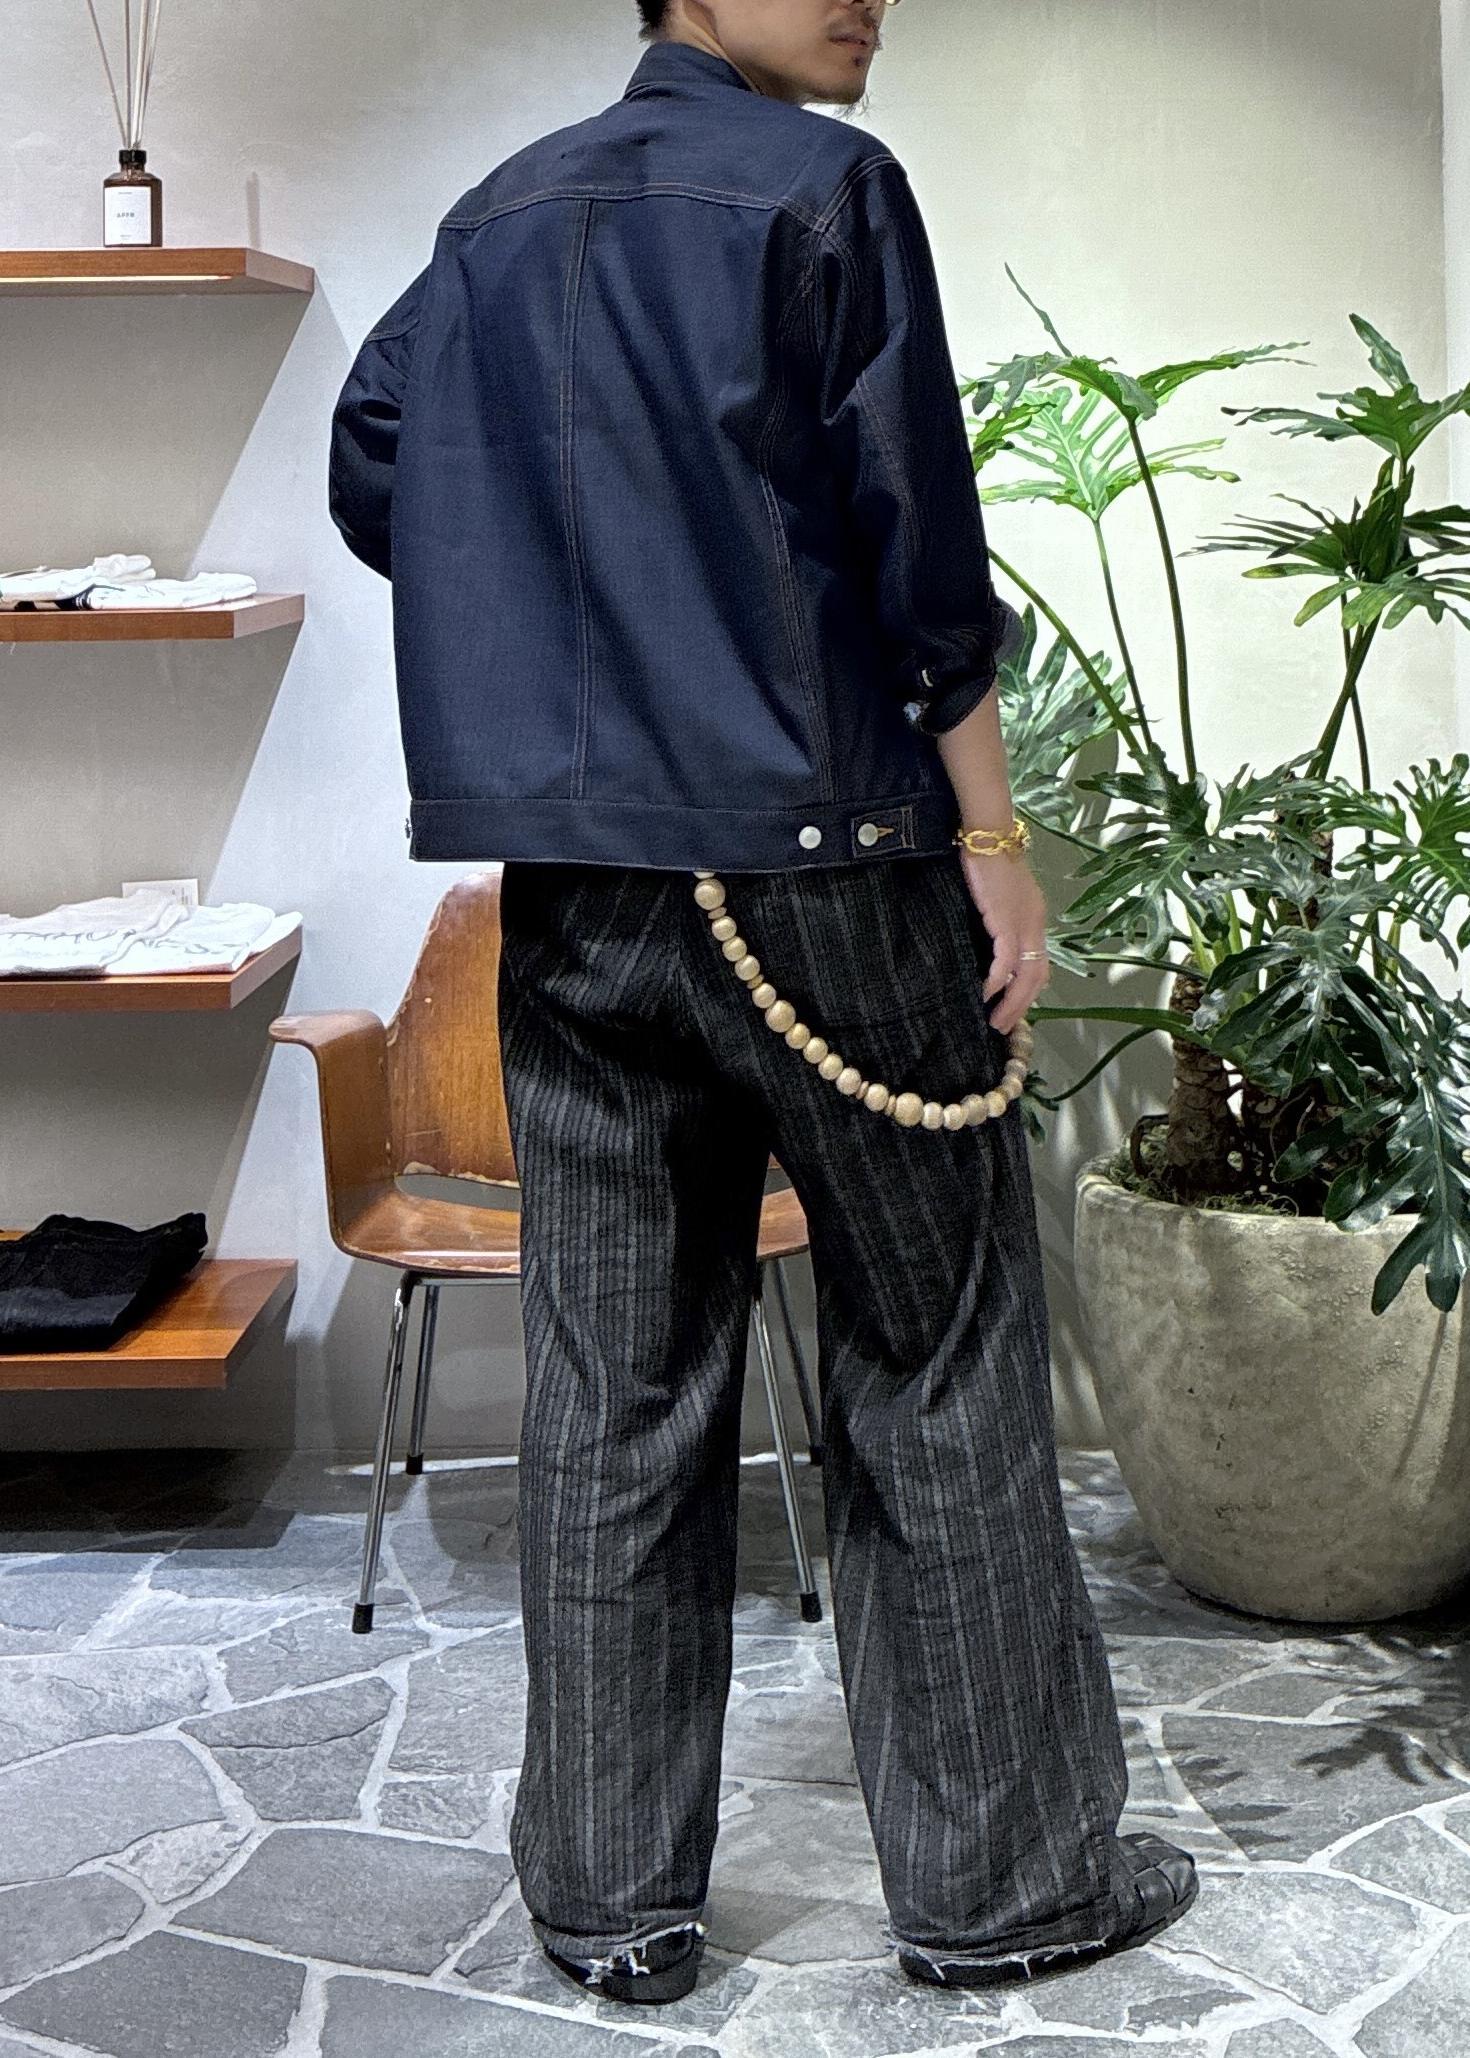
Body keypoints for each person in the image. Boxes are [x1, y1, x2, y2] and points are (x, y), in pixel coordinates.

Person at [328, 0, 1198, 2010]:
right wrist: (993, 840)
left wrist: (585, 612)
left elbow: (384, 466)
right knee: (936, 1350)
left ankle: (609, 1899)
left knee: (613, 1383)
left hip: (577, 891)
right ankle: (1003, 1889)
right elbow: (919, 550)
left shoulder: (493, 217)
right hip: (828, 869)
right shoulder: (823, 190)